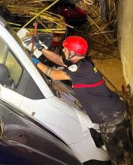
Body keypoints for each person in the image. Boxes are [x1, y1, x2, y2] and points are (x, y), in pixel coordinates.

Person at [31, 35, 132, 165]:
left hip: (112, 119)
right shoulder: (81, 62)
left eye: (66, 49)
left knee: (119, 157)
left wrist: (34, 61)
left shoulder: (80, 69)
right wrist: (41, 49)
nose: (63, 50)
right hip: (114, 111)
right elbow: (58, 60)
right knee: (125, 150)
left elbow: (54, 74)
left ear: (73, 52)